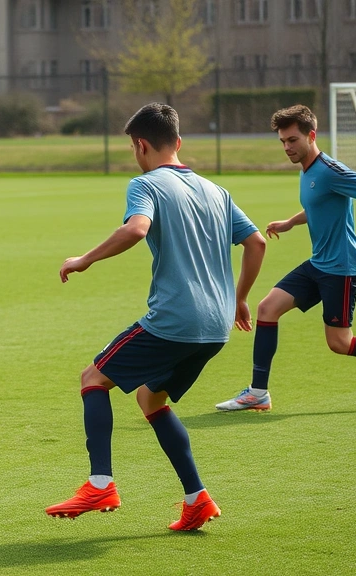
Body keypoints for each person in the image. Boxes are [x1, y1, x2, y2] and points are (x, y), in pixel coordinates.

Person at [44, 103, 267, 530]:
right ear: (179, 143)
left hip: (175, 320)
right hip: (216, 326)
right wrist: (240, 298)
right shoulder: (216, 190)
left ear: (139, 145)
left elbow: (135, 229)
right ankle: (196, 498)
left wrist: (84, 259)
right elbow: (256, 243)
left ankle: (100, 483)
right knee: (151, 398)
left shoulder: (146, 184)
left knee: (93, 379)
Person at [215, 104, 356, 412]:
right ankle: (258, 392)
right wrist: (290, 222)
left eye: (292, 140)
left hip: (342, 268)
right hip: (319, 263)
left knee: (340, 343)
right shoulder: (308, 171)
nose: (287, 147)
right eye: (282, 141)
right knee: (267, 308)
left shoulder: (330, 170)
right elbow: (319, 204)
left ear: (311, 135)